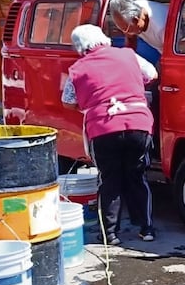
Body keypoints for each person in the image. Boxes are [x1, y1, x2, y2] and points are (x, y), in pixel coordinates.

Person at [61, 24, 158, 245]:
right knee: (137, 176)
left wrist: (91, 104)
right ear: (103, 38)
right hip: (138, 124)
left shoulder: (77, 68)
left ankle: (111, 234)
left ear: (79, 46)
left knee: (109, 179)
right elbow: (152, 73)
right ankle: (146, 228)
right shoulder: (128, 55)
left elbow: (68, 101)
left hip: (103, 127)